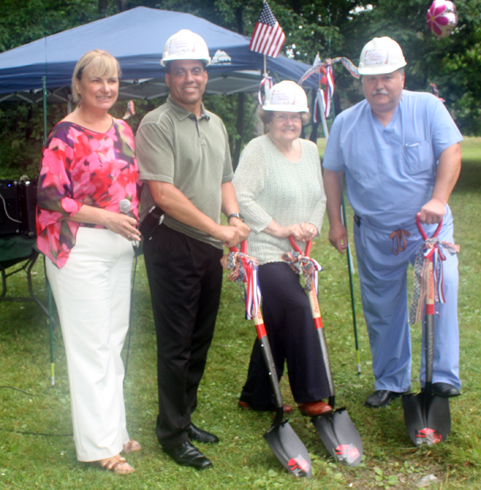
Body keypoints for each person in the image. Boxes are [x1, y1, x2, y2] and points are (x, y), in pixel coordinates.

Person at [322, 37, 462, 409]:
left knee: (442, 286)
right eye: (370, 78)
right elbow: (333, 172)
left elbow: (451, 151)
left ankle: (441, 377)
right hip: (374, 232)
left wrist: (438, 199)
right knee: (382, 306)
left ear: (402, 76)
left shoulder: (428, 108)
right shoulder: (345, 123)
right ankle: (391, 380)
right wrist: (335, 223)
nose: (379, 85)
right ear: (361, 82)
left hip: (427, 228)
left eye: (387, 76)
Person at [135, 29, 250, 470]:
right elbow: (163, 194)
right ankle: (172, 433)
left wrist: (234, 218)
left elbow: (224, 180)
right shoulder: (156, 124)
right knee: (176, 342)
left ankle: (183, 417)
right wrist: (218, 232)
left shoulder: (216, 123)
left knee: (200, 338)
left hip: (207, 244)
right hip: (171, 240)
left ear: (206, 74)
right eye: (180, 71)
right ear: (168, 77)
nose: (189, 78)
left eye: (196, 70)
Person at [36, 50, 141, 474]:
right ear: (78, 84)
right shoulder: (65, 133)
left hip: (119, 247)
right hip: (77, 247)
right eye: (96, 81)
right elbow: (48, 195)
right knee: (90, 348)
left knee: (113, 341)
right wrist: (107, 217)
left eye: (112, 80)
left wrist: (126, 221)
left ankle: (113, 431)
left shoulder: (124, 129)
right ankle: (99, 446)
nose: (106, 88)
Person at [233, 81, 331, 417]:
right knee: (298, 307)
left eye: (295, 116)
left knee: (275, 320)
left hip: (297, 252)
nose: (289, 122)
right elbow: (240, 196)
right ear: (268, 118)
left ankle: (257, 394)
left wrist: (312, 226)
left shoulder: (308, 150)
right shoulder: (258, 150)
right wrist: (279, 228)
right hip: (264, 250)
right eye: (281, 116)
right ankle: (313, 395)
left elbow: (319, 196)